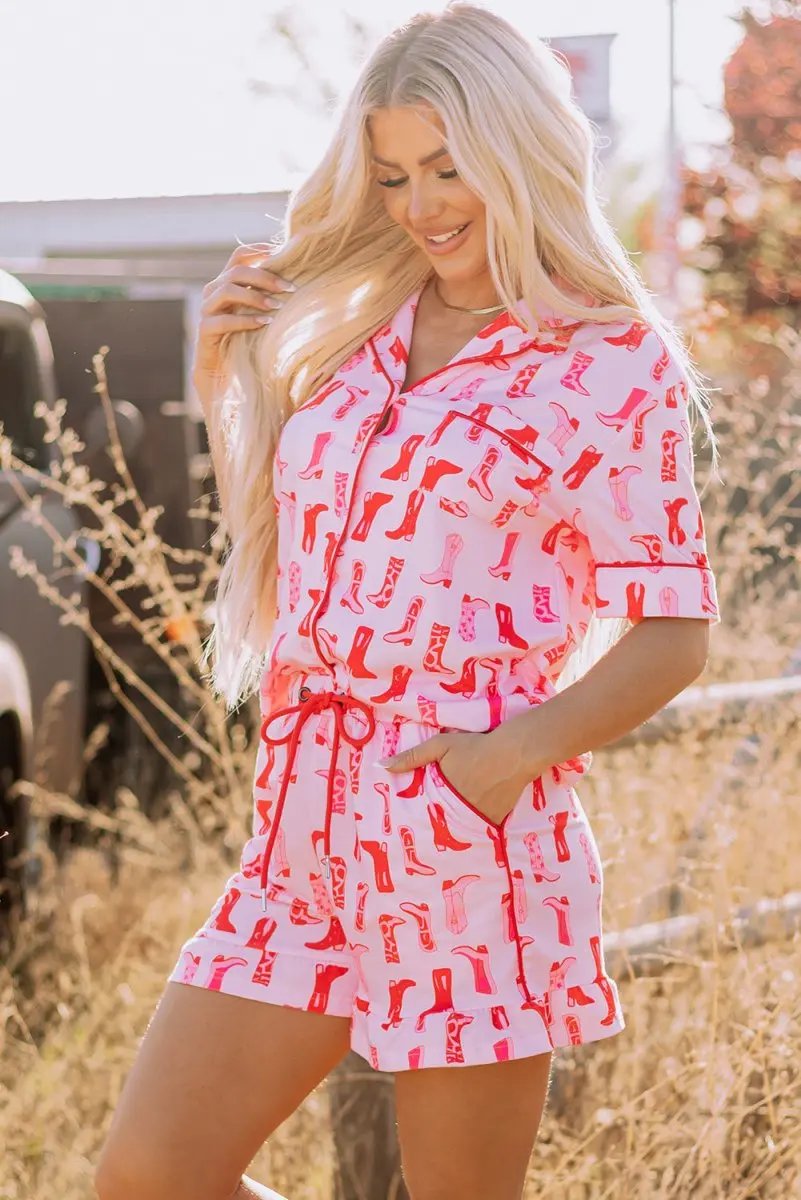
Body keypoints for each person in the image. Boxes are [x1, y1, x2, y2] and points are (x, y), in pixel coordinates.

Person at [94, 4, 721, 1199]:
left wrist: (497, 764)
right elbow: (303, 558)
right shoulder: (363, 332)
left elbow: (676, 635)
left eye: (448, 167)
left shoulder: (605, 361)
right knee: (148, 1178)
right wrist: (228, 384)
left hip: (462, 840)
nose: (421, 205)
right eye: (392, 177)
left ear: (517, 151)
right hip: (299, 832)